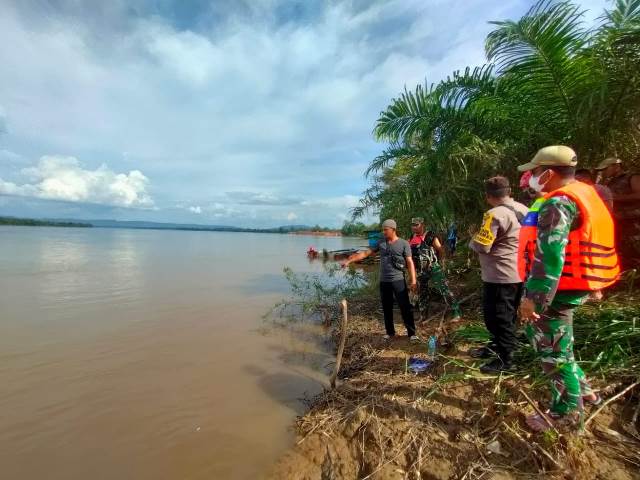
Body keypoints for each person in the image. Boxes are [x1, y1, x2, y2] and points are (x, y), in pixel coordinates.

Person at [517, 146, 619, 432]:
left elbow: (550, 254)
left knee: (554, 355)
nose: (533, 177)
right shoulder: (587, 193)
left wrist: (534, 299)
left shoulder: (559, 202)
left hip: (557, 288)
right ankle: (585, 393)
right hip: (573, 284)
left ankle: (566, 414)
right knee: (561, 347)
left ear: (549, 172)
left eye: (535, 172)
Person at [469, 177, 528, 373]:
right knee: (508, 315)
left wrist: (472, 238)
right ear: (509, 191)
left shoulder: (493, 214)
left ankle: (507, 361)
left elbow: (483, 246)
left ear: (488, 196)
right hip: (518, 272)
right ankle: (497, 347)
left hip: (499, 275)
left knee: (497, 317)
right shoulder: (523, 210)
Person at [342, 219, 420, 342]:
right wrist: (349, 261)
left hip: (398, 280)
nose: (383, 232)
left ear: (393, 229)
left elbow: (410, 262)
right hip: (384, 281)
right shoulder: (381, 243)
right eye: (383, 229)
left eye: (385, 230)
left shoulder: (404, 243)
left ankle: (412, 333)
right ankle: (390, 332)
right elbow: (365, 253)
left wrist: (413, 281)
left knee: (405, 307)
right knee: (386, 307)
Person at [409, 217, 461, 322]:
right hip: (421, 270)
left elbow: (440, 249)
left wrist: (441, 263)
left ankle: (456, 312)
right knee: (422, 293)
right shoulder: (412, 237)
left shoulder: (430, 236)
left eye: (416, 225)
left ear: (422, 225)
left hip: (433, 267)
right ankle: (423, 316)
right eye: (413, 225)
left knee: (444, 289)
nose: (414, 227)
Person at [595, 157, 640, 268]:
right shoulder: (610, 182)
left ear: (616, 166)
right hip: (618, 222)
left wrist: (615, 198)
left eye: (606, 168)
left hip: (633, 223)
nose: (604, 171)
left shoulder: (632, 177)